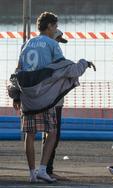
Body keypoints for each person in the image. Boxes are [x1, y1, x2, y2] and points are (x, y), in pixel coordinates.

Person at [10, 12, 95, 183]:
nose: (55, 29)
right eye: (55, 26)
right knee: (53, 132)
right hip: (44, 96)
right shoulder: (52, 45)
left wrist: (16, 95)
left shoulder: (26, 44)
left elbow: (18, 70)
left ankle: (32, 173)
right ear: (49, 26)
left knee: (30, 134)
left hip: (27, 96)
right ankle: (43, 169)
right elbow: (62, 68)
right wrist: (83, 64)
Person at [42, 29, 67, 177]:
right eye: (58, 40)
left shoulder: (51, 53)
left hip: (54, 100)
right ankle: (47, 169)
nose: (59, 44)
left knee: (50, 134)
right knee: (53, 135)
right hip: (53, 101)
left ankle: (46, 168)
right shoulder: (51, 56)